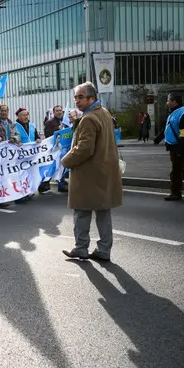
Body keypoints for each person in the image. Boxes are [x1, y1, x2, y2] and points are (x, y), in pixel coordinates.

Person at [61, 82, 122, 262]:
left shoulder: (88, 118)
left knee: (81, 212)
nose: (77, 101)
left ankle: (81, 248)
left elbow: (84, 149)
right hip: (104, 171)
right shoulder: (104, 113)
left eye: (81, 97)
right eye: (76, 97)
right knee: (103, 212)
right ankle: (103, 250)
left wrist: (65, 161)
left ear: (91, 98)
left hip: (89, 173)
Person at [153, 93, 184, 200]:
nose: (167, 102)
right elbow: (168, 127)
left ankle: (176, 193)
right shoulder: (175, 112)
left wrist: (181, 150)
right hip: (173, 146)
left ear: (174, 102)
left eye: (168, 100)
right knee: (181, 169)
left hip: (179, 146)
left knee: (176, 171)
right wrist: (158, 138)